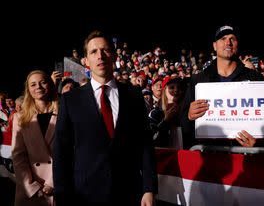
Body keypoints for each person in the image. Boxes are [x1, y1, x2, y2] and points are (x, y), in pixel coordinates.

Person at [53, 30, 157, 206]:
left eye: (105, 50)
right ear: (85, 61)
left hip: (130, 192)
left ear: (115, 55)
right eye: (93, 52)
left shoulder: (133, 95)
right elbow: (61, 151)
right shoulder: (71, 100)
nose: (100, 56)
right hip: (84, 195)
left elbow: (145, 145)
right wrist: (62, 196)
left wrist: (149, 188)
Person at [180, 25, 264, 149]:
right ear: (214, 45)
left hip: (245, 155)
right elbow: (183, 125)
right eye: (223, 38)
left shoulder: (255, 78)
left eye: (232, 39)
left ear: (237, 44)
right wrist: (189, 116)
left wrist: (259, 142)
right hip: (211, 155)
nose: (228, 43)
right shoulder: (199, 80)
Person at [11, 70, 59, 206]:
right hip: (30, 189)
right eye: (33, 84)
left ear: (50, 85)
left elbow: (70, 151)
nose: (38, 87)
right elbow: (18, 156)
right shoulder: (20, 118)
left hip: (58, 185)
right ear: (28, 90)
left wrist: (52, 183)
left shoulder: (64, 113)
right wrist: (31, 187)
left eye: (43, 82)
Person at [149, 76, 185, 148]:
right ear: (164, 90)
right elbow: (151, 139)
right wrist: (165, 121)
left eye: (179, 88)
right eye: (172, 87)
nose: (176, 90)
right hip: (164, 156)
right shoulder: (155, 113)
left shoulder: (187, 112)